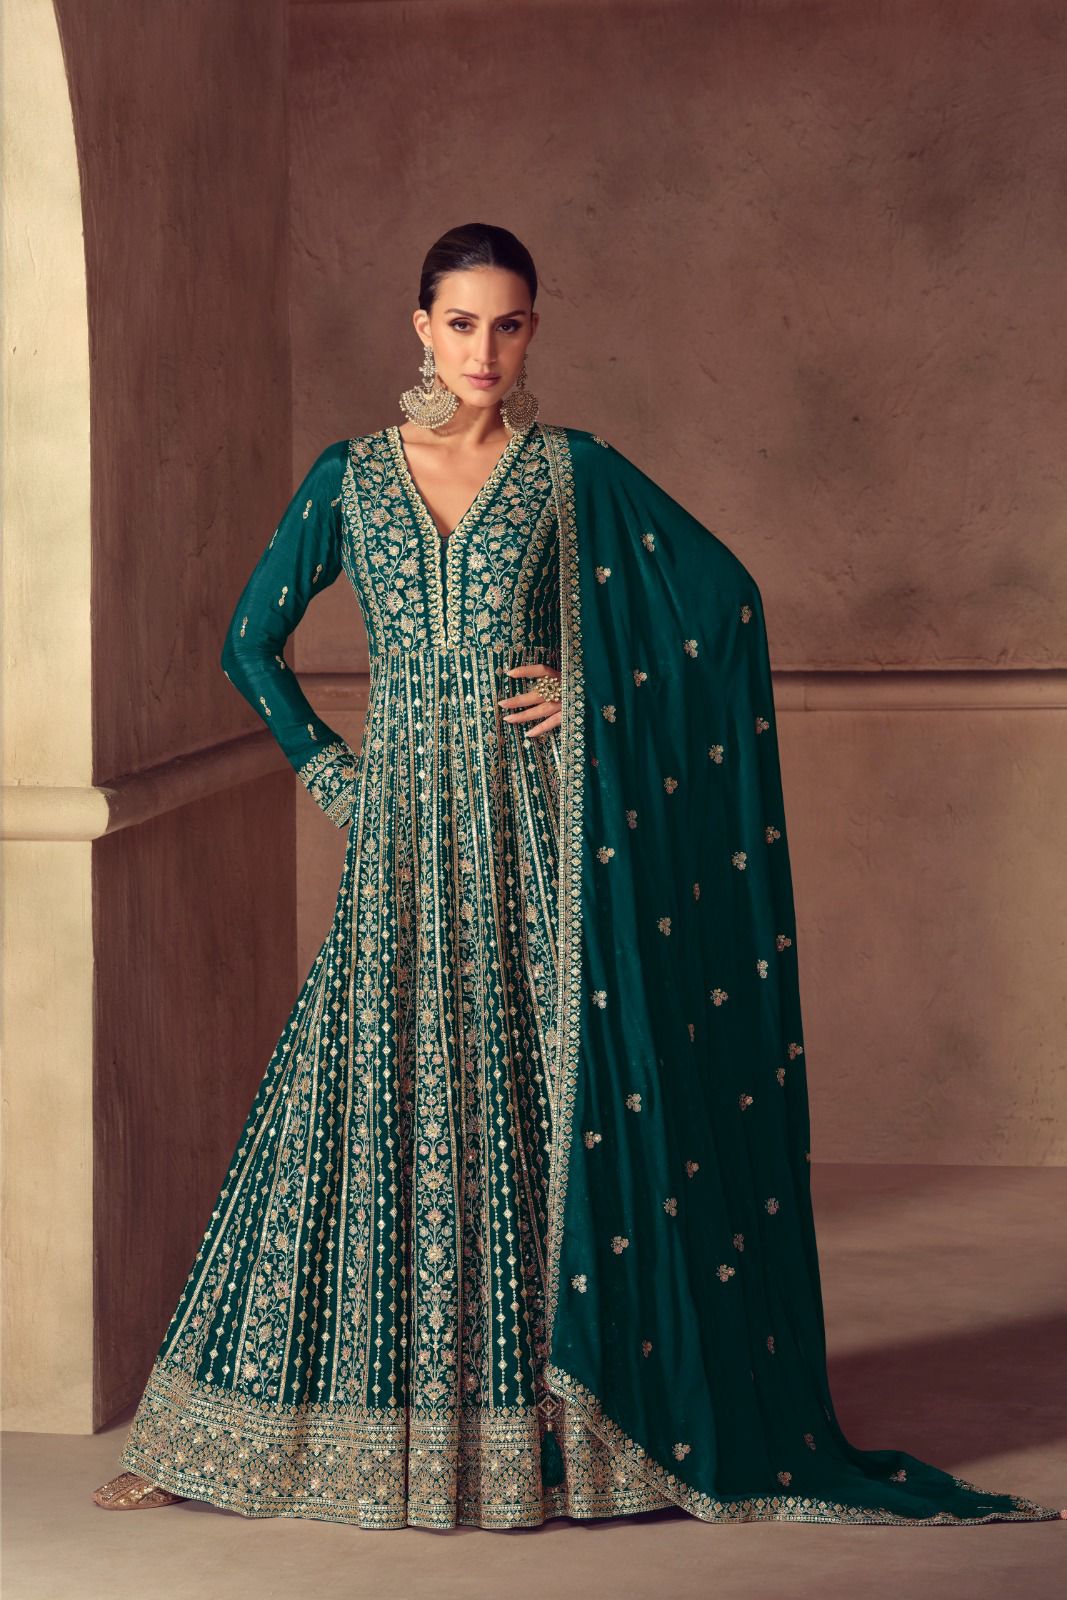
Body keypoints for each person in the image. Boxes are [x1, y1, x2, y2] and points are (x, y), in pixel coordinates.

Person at [93, 223, 1064, 1530]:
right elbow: (248, 644)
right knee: (357, 1100)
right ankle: (254, 1432)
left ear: (533, 331)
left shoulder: (570, 474)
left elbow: (721, 609)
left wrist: (597, 692)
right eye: (461, 323)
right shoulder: (351, 477)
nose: (484, 350)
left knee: (542, 1109)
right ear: (420, 328)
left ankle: (561, 1432)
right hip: (400, 844)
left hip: (540, 842)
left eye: (509, 325)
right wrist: (332, 774)